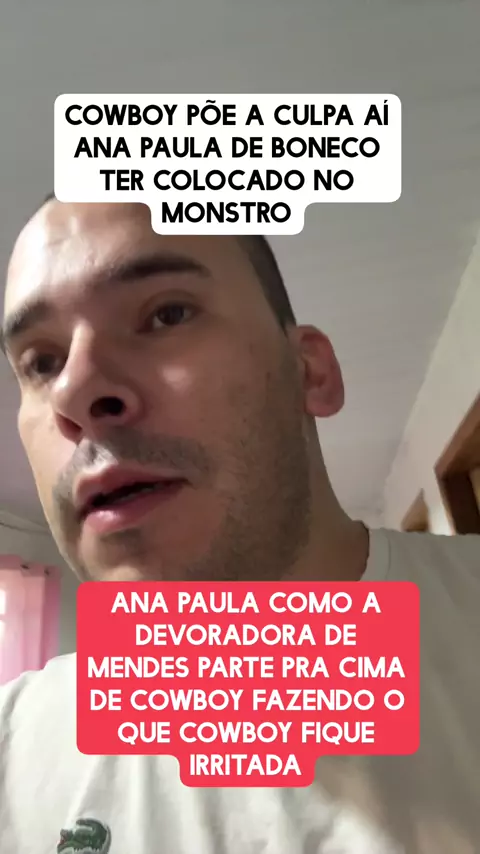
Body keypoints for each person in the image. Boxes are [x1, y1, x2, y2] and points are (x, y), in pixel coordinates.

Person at [0, 198, 479, 854]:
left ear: (309, 372)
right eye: (40, 362)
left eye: (166, 314)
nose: (74, 391)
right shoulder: (14, 756)